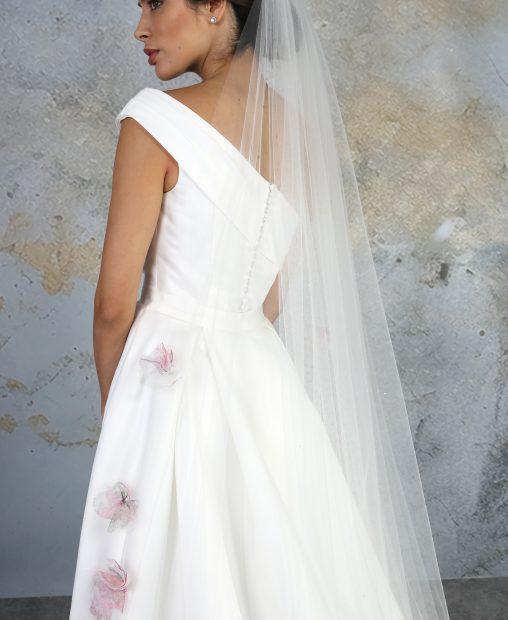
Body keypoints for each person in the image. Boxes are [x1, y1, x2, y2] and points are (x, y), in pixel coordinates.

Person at [68, 0, 452, 618]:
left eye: (155, 3)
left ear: (215, 6)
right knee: (278, 559)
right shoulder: (301, 130)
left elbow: (113, 307)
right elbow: (273, 294)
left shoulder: (152, 123)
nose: (140, 27)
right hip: (260, 374)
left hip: (164, 378)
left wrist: (122, 409)